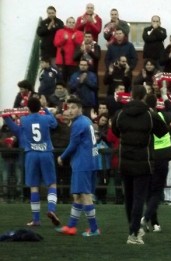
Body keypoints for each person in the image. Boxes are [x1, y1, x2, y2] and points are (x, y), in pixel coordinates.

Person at [112, 85, 169, 245]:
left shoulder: (121, 114)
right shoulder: (150, 116)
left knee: (128, 198)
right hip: (143, 161)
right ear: (144, 97)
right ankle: (134, 232)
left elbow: (115, 130)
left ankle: (133, 228)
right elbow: (163, 131)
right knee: (139, 198)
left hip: (125, 162)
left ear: (131, 95)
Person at [3, 97, 60, 227]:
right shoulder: (45, 118)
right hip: (46, 153)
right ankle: (51, 209)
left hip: (31, 154)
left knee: (33, 186)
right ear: (39, 107)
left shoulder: (24, 120)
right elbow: (55, 124)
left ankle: (36, 219)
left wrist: (6, 117)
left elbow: (15, 130)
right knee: (51, 184)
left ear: (28, 108)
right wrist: (46, 109)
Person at [56, 97, 100, 237]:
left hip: (83, 163)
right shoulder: (86, 120)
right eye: (69, 107)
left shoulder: (78, 123)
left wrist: (62, 157)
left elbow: (73, 144)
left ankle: (94, 229)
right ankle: (71, 226)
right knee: (78, 195)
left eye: (74, 107)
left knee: (85, 195)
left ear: (80, 108)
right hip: (91, 161)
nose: (71, 110)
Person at [141, 94, 171, 233]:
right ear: (156, 104)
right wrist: (165, 97)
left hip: (146, 157)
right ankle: (147, 218)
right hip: (161, 158)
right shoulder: (160, 116)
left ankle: (154, 223)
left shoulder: (141, 118)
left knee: (149, 192)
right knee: (156, 192)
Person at [54, 17, 84, 83]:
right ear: (66, 23)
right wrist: (64, 39)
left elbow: (81, 46)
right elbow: (56, 44)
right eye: (69, 22)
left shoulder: (79, 33)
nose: (71, 24)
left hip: (73, 62)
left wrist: (74, 40)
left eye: (73, 22)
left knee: (73, 82)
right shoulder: (59, 32)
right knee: (61, 82)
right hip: (61, 61)